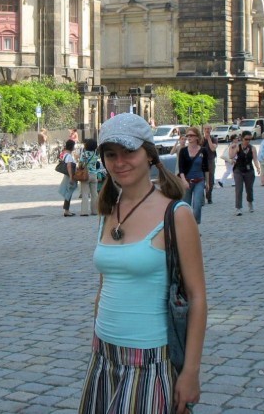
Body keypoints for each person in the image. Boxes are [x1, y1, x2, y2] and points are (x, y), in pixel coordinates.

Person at [78, 113, 206, 414]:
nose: (119, 162)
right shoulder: (108, 211)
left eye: (128, 152)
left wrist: (190, 371)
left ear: (149, 154)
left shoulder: (176, 214)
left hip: (149, 359)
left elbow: (197, 297)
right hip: (104, 356)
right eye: (111, 154)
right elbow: (105, 284)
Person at [177, 126, 209, 224]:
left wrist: (208, 182)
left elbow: (206, 168)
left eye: (191, 135)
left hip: (199, 180)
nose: (189, 137)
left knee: (197, 205)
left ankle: (195, 226)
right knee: (185, 207)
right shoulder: (183, 151)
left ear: (197, 137)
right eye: (188, 136)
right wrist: (183, 180)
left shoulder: (203, 151)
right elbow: (181, 168)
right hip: (186, 181)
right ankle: (188, 227)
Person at [231, 131, 260, 216]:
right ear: (242, 138)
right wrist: (231, 148)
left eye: (249, 139)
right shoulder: (238, 147)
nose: (248, 141)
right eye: (246, 139)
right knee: (239, 189)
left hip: (249, 170)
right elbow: (231, 156)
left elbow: (255, 159)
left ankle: (250, 202)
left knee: (249, 189)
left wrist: (258, 167)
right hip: (238, 170)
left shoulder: (252, 148)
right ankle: (238, 208)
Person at [78, 138, 101, 216]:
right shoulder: (96, 154)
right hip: (94, 175)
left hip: (85, 175)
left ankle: (84, 211)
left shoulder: (84, 154)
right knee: (94, 194)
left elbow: (80, 164)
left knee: (85, 193)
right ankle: (95, 211)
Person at [58, 139, 78, 217]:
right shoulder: (69, 156)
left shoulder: (65, 154)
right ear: (72, 147)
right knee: (68, 193)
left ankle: (66, 210)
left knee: (68, 192)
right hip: (69, 175)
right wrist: (71, 177)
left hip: (67, 175)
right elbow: (69, 166)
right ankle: (67, 210)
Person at [201, 124, 218, 204]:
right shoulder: (200, 139)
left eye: (209, 128)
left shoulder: (214, 139)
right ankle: (201, 197)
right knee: (201, 179)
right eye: (206, 129)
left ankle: (209, 196)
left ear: (211, 129)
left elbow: (212, 148)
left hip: (210, 161)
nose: (207, 130)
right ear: (203, 129)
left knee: (210, 179)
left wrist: (208, 139)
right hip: (201, 161)